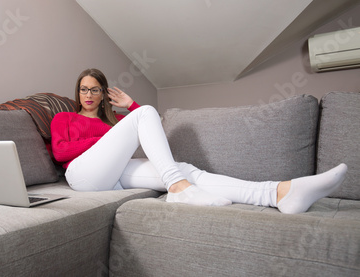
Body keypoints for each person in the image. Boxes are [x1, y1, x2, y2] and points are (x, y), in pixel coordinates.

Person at [50, 68, 348, 214]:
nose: (88, 95)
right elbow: (61, 152)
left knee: (183, 169)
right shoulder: (64, 118)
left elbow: (152, 129)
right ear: (77, 93)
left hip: (111, 177)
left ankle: (277, 194)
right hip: (81, 175)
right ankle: (179, 189)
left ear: (103, 94)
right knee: (150, 118)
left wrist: (130, 105)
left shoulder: (111, 125)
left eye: (95, 90)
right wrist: (105, 139)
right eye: (84, 90)